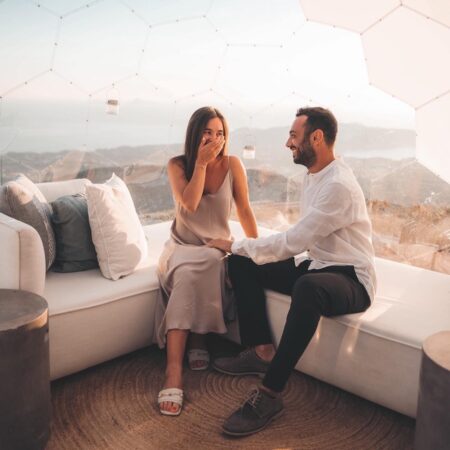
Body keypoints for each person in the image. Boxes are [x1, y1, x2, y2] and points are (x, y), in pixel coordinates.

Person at [208, 106, 376, 436]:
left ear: (317, 137)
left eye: (293, 136)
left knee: (307, 286)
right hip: (316, 265)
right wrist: (240, 251)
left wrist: (233, 243)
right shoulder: (313, 175)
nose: (288, 143)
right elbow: (300, 243)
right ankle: (260, 350)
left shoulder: (338, 185)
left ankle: (270, 393)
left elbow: (293, 242)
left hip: (351, 279)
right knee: (243, 263)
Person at [155, 106, 258, 417]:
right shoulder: (177, 165)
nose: (215, 139)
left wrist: (257, 250)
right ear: (195, 134)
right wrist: (200, 164)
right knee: (188, 273)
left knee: (213, 262)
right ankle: (173, 370)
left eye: (221, 133)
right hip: (181, 247)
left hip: (214, 247)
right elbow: (189, 204)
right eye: (208, 132)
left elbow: (244, 211)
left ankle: (199, 337)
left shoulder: (233, 165)